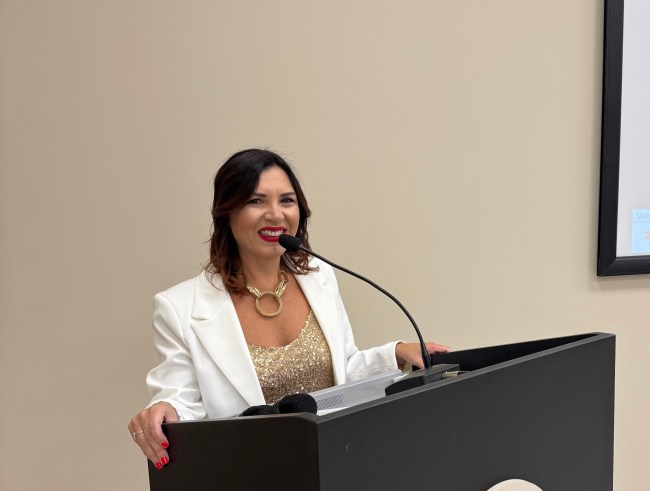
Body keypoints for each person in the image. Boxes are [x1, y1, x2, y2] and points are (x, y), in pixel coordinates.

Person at [128, 148, 448, 468]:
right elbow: (180, 402)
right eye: (256, 201)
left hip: (336, 464)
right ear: (226, 212)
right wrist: (164, 411)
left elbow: (341, 372)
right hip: (251, 474)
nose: (275, 214)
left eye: (286, 200)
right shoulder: (178, 307)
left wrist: (395, 354)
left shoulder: (320, 278)